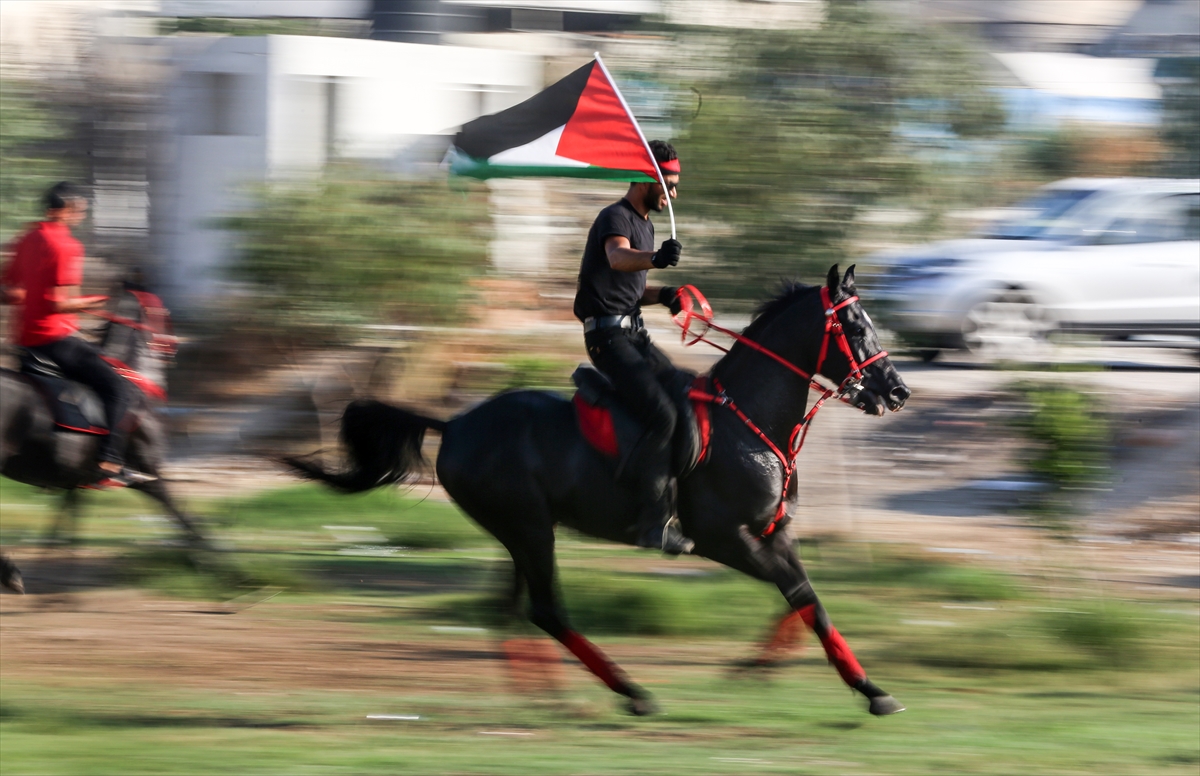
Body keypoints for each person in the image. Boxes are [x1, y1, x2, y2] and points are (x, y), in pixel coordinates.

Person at [573, 140, 693, 555]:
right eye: (669, 185)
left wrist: (664, 295)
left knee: (685, 394)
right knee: (661, 415)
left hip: (634, 335)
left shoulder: (647, 224)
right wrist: (656, 258)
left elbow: (630, 289)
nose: (673, 194)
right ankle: (652, 522)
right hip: (607, 339)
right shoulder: (615, 217)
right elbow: (618, 259)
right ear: (647, 178)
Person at [1, 182, 152, 488]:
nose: (81, 216)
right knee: (119, 389)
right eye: (80, 210)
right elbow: (59, 302)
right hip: (55, 341)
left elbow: (6, 291)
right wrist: (91, 302)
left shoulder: (26, 238)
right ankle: (110, 460)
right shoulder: (66, 245)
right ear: (67, 209)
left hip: (24, 343)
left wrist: (28, 299)